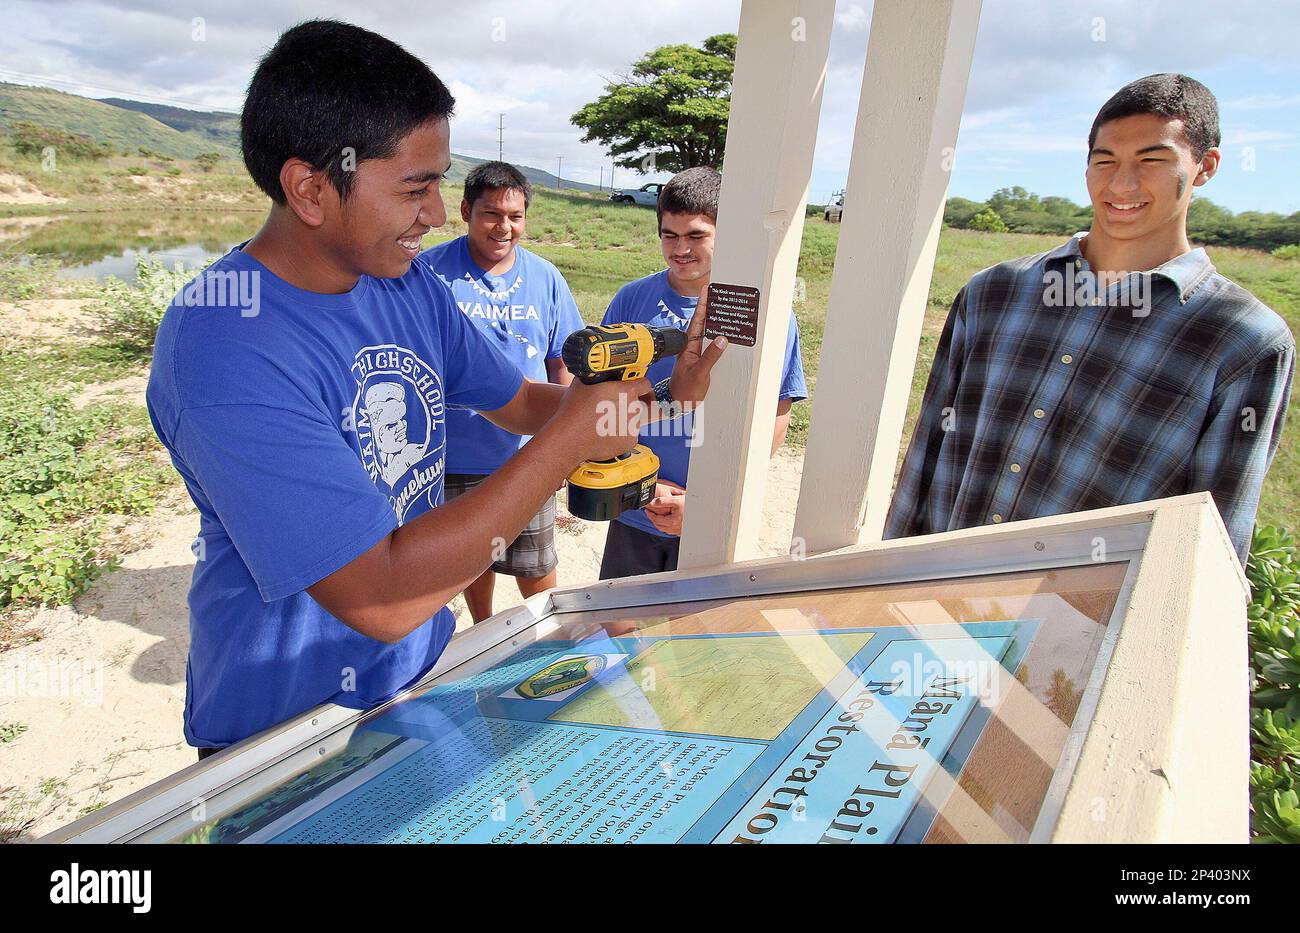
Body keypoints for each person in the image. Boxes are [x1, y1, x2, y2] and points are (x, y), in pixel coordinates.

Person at [145, 20, 724, 757]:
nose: (437, 214)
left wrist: (669, 396)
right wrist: (569, 441)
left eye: (439, 183)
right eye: (415, 188)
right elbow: (379, 596)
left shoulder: (405, 285)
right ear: (312, 189)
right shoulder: (226, 344)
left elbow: (522, 403)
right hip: (285, 732)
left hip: (415, 675)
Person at [885, 73, 1294, 564]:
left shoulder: (1242, 341)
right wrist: (892, 572)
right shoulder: (992, 293)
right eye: (1105, 161)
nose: (1122, 184)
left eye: (1152, 160)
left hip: (1084, 627)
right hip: (940, 594)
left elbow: (1215, 533)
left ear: (1205, 166)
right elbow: (928, 449)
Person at [597, 166, 808, 578]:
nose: (681, 249)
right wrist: (638, 483)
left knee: (693, 633)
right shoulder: (632, 299)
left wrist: (708, 501)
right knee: (621, 624)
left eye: (696, 235)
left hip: (712, 516)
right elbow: (604, 401)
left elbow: (776, 415)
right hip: (636, 503)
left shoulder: (767, 314)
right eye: (669, 235)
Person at [417, 162, 582, 622]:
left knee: (536, 563)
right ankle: (484, 627)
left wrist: (564, 443)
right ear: (467, 210)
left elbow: (563, 362)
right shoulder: (427, 272)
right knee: (470, 562)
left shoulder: (546, 277)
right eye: (491, 214)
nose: (504, 227)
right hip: (448, 457)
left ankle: (546, 637)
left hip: (523, 457)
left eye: (515, 215)